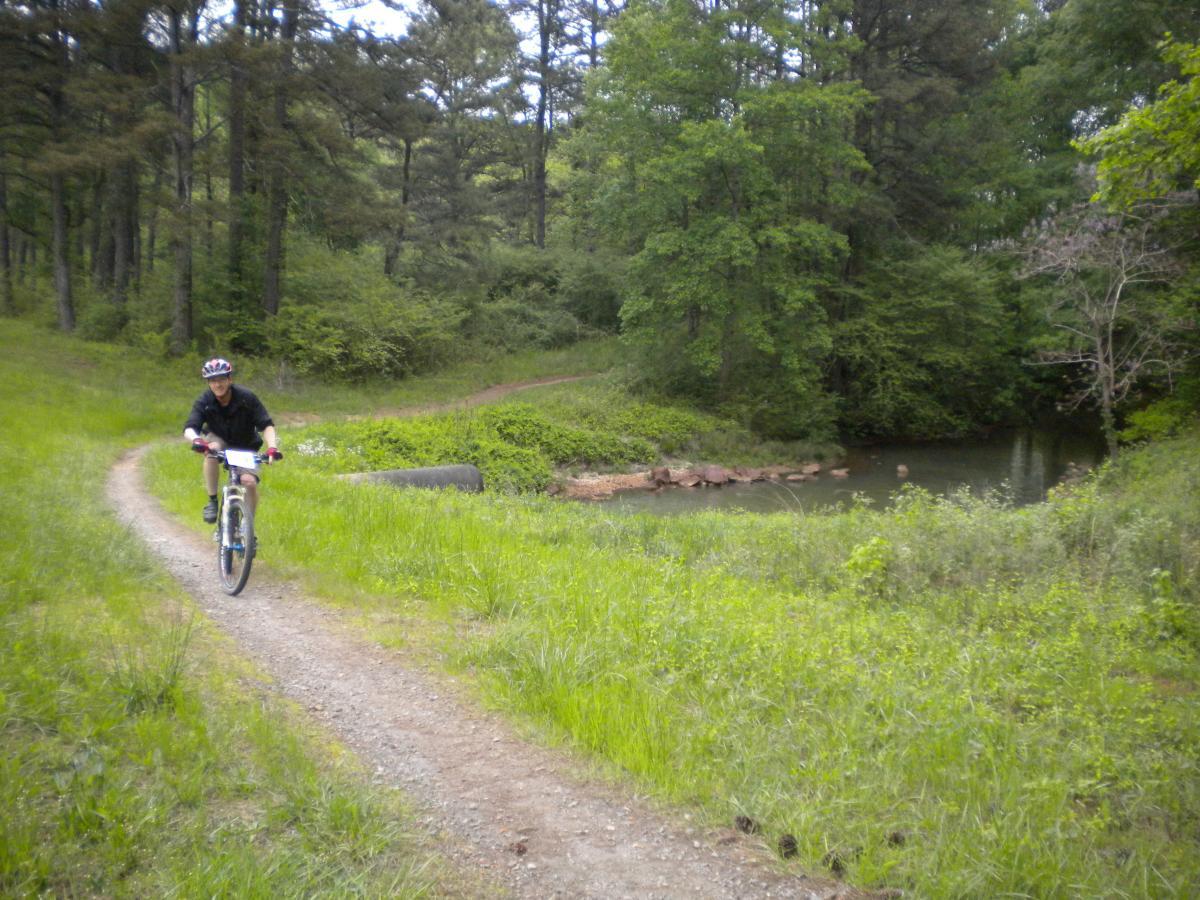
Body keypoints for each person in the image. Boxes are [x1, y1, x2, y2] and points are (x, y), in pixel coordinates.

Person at [183, 357, 282, 523]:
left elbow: (266, 425)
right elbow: (190, 427)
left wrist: (272, 447)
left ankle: (248, 525)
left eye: (221, 379)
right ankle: (212, 501)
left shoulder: (246, 397)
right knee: (212, 449)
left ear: (230, 379)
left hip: (246, 446)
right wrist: (197, 440)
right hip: (219, 438)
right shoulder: (205, 401)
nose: (218, 385)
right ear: (208, 383)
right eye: (213, 381)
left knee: (249, 482)